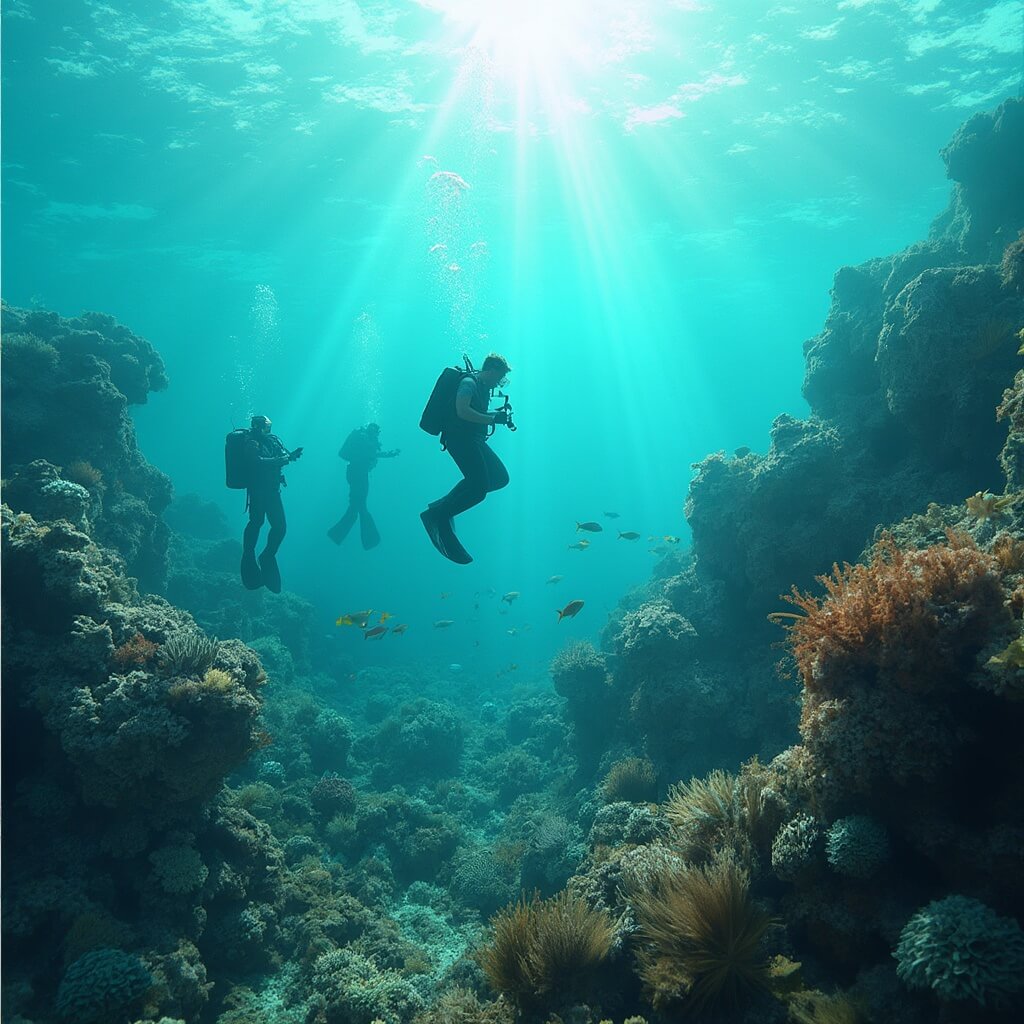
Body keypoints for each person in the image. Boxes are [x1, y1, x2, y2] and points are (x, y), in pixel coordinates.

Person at [421, 353, 512, 564]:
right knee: (478, 489)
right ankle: (439, 517)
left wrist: (495, 414)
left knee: (499, 478)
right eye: (499, 377)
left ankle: (441, 507)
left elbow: (474, 411)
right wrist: (492, 418)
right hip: (458, 439)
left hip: (473, 439)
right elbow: (462, 411)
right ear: (490, 371)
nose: (499, 382)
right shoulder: (469, 383)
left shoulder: (483, 387)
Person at [240, 414, 303, 593]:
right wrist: (279, 460)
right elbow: (254, 461)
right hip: (259, 490)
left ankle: (267, 555)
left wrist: (290, 456)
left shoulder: (271, 441)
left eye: (270, 426)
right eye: (267, 427)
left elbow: (281, 456)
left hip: (272, 490)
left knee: (279, 527)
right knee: (257, 523)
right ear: (258, 427)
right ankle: (249, 555)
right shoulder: (250, 441)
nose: (270, 430)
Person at [327, 423, 399, 549]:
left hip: (358, 473)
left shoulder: (364, 438)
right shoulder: (362, 437)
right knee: (359, 506)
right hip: (357, 473)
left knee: (357, 506)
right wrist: (388, 454)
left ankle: (337, 535)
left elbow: (369, 455)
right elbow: (368, 454)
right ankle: (340, 536)